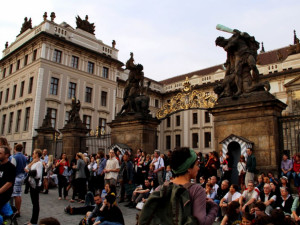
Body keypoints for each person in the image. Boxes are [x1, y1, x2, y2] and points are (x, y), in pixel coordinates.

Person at [140, 147, 218, 224]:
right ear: (188, 168)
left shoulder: (161, 188)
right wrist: (214, 207)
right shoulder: (196, 190)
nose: (198, 168)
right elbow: (201, 222)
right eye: (196, 165)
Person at [24, 149, 43, 225]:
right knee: (33, 203)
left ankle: (34, 221)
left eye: (34, 153)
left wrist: (29, 172)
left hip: (35, 185)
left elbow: (38, 175)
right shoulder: (35, 162)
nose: (32, 154)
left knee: (35, 203)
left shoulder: (39, 164)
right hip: (31, 184)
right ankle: (32, 220)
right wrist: (32, 162)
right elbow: (26, 168)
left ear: (37, 154)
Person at [0, 145, 16, 218]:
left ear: (6, 155)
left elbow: (9, 183)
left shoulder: (11, 167)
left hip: (3, 195)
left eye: (0, 153)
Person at [10, 143, 26, 216]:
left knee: (16, 195)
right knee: (18, 194)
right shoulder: (24, 157)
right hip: (22, 176)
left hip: (16, 176)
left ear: (15, 149)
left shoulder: (14, 157)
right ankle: (18, 210)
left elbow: (12, 168)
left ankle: (16, 211)